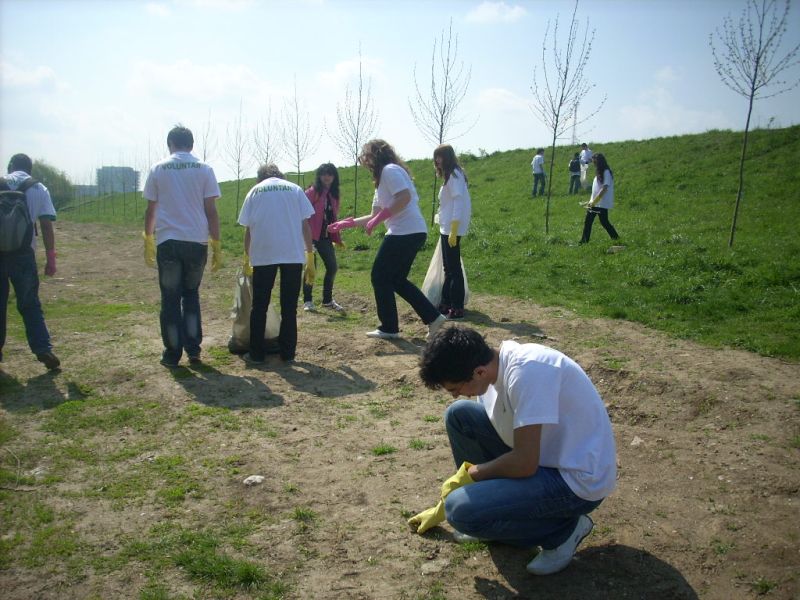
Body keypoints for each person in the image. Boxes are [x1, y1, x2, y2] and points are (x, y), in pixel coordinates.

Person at [416, 326, 617, 575]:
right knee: (459, 416)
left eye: (456, 389)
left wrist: (472, 475)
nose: (458, 395)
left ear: (478, 371)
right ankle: (490, 517)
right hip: (544, 456)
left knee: (460, 511)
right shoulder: (492, 370)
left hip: (575, 478)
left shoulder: (527, 372)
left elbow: (524, 463)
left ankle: (563, 533)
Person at [328, 139, 446, 341]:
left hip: (405, 231)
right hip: (410, 231)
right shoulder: (381, 180)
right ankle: (433, 318)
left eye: (366, 156)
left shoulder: (390, 171)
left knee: (379, 276)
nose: (365, 162)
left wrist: (377, 220)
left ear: (375, 155)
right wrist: (346, 224)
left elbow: (404, 197)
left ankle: (389, 327)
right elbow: (374, 213)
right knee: (396, 280)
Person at [143, 124, 222, 368]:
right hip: (196, 241)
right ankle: (193, 349)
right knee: (190, 295)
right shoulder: (204, 169)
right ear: (191, 144)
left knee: (169, 298)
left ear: (170, 144)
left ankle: (172, 353)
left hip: (168, 241)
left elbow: (151, 209)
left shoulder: (158, 169)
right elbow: (211, 210)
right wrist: (216, 242)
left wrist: (147, 237)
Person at [238, 164, 315, 364]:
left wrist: (247, 255)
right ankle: (288, 353)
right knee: (289, 307)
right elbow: (305, 224)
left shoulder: (255, 191)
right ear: (280, 175)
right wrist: (310, 254)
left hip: (264, 254)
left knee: (259, 306)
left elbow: (249, 228)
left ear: (260, 178)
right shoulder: (294, 189)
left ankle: (256, 354)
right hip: (292, 254)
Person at [0, 153, 60, 370]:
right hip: (24, 256)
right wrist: (50, 258)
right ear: (30, 169)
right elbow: (46, 224)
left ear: (9, 167)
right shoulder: (38, 188)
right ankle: (42, 348)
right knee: (29, 303)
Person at [433, 144, 471, 321]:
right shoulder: (450, 175)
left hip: (452, 227)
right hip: (446, 226)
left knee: (453, 269)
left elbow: (458, 202)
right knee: (448, 268)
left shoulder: (455, 175)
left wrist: (454, 229)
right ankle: (446, 302)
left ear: (447, 157)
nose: (437, 160)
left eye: (440, 157)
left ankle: (457, 306)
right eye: (436, 157)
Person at [302, 163, 345, 313]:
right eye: (324, 173)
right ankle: (307, 300)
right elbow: (302, 214)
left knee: (332, 267)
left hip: (325, 237)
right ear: (319, 176)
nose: (327, 177)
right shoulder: (311, 192)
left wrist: (337, 230)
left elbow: (332, 216)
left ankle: (327, 300)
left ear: (334, 177)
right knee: (310, 268)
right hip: (311, 236)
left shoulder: (334, 194)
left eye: (330, 174)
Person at [579, 153, 620, 244]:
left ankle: (616, 238)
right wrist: (590, 201)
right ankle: (584, 241)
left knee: (603, 222)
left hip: (601, 203)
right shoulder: (599, 172)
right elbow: (596, 189)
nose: (593, 163)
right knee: (590, 221)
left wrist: (594, 202)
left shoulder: (606, 172)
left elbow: (604, 189)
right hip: (595, 203)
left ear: (599, 162)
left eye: (594, 161)